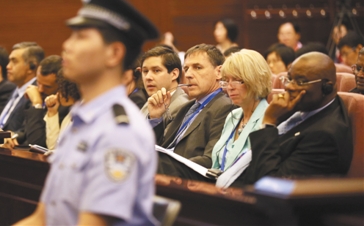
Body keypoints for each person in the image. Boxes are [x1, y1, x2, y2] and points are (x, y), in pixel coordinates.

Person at [14, 0, 159, 226]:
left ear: (114, 53)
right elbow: (42, 217)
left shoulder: (119, 132)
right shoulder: (82, 119)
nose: (66, 45)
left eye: (81, 36)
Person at [231, 52, 353, 186]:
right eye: (289, 79)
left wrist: (269, 123)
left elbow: (270, 185)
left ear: (327, 87)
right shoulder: (303, 107)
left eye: (301, 81)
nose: (288, 87)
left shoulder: (324, 136)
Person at [148, 43, 236, 179]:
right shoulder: (187, 107)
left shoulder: (226, 107)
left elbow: (211, 160)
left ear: (219, 72)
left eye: (198, 67)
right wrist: (156, 118)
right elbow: (161, 146)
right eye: (186, 68)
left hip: (186, 182)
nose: (188, 74)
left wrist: (160, 166)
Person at [212, 49, 272, 185]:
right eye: (226, 81)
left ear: (256, 80)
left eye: (237, 80)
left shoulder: (269, 118)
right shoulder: (233, 116)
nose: (230, 87)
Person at [0, 55, 63, 148]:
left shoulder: (64, 105)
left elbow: (36, 142)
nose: (40, 90)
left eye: (47, 86)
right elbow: (26, 131)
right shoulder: (42, 95)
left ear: (61, 86)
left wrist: (37, 104)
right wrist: (12, 136)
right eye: (38, 83)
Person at [0, 42, 44, 132]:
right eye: (9, 61)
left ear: (31, 67)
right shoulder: (15, 89)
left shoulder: (37, 93)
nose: (8, 66)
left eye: (14, 61)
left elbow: (25, 131)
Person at [140, 45, 189, 123]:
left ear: (174, 74)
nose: (148, 77)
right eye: (145, 71)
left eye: (156, 70)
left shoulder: (182, 107)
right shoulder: (153, 99)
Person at [44, 69, 81, 150]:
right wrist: (52, 112)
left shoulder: (85, 113)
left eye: (62, 88)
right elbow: (53, 147)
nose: (58, 94)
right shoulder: (72, 112)